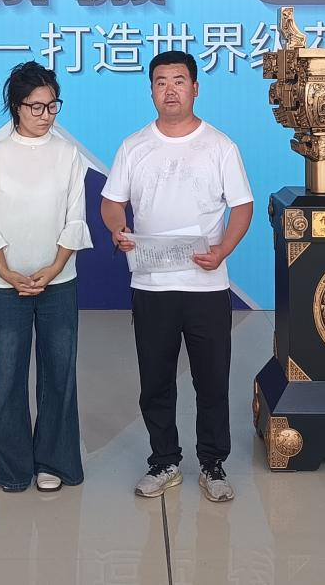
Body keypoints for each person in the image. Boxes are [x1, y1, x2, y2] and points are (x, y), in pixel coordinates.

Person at [100, 50, 253, 503]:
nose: (170, 90)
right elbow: (112, 202)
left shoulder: (220, 146)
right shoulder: (134, 146)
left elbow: (242, 205)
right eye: (161, 82)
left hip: (206, 285)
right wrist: (117, 230)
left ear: (195, 88)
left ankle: (213, 464)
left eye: (179, 81)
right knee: (156, 380)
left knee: (212, 380)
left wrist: (222, 250)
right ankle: (163, 461)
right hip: (152, 284)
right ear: (151, 90)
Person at [0, 61, 92, 493]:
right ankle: (13, 466)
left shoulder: (68, 154)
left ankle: (54, 462)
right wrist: (6, 271)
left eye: (52, 105)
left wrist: (55, 268)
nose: (46, 115)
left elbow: (75, 218)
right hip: (5, 285)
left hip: (59, 282)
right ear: (16, 107)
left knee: (59, 373)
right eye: (36, 107)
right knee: (7, 375)